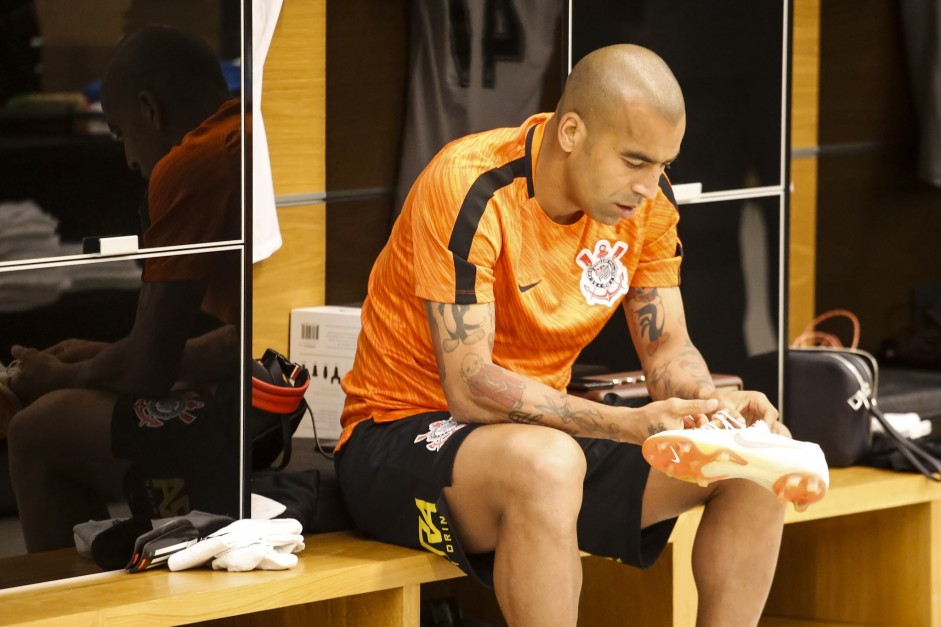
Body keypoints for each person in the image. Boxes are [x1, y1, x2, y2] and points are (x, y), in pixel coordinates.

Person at [334, 44, 828, 626]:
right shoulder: (468, 185)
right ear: (571, 131)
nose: (650, 185)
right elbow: (469, 386)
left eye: (663, 166)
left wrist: (710, 410)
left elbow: (668, 347)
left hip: (543, 441)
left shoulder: (646, 204)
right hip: (401, 435)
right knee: (549, 463)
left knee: (753, 466)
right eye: (635, 160)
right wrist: (625, 423)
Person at [5, 24, 244, 552]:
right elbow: (236, 340)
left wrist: (62, 376)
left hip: (254, 425)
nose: (128, 160)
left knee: (36, 429)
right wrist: (105, 355)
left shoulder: (190, 162)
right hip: (281, 396)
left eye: (119, 134)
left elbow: (149, 371)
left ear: (149, 110)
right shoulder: (251, 134)